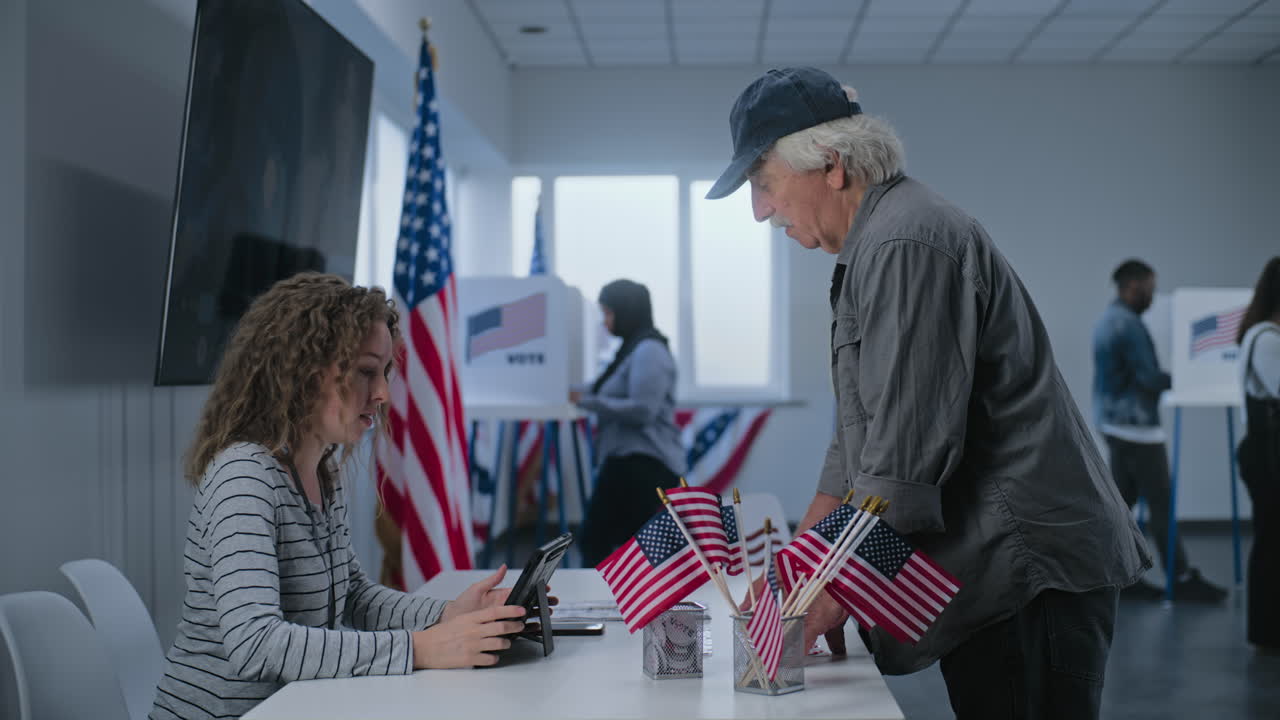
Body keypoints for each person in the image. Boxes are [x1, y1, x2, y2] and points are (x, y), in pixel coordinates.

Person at [706, 67, 1149, 719]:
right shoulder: (874, 246)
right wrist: (797, 578)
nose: (760, 211)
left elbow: (899, 472)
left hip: (1029, 570)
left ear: (829, 165)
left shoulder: (905, 241)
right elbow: (854, 451)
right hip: (997, 568)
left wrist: (819, 600)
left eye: (764, 185)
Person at [152, 273, 530, 720]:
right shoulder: (245, 475)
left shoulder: (319, 468)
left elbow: (351, 597)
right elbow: (255, 644)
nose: (384, 394)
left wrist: (448, 613)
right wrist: (418, 648)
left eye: (384, 373)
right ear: (303, 372)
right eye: (366, 372)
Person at [1091, 259, 1227, 603]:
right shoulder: (1129, 326)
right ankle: (1179, 577)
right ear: (1132, 286)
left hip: (1116, 425)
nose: (1153, 297)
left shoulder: (1109, 320)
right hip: (1138, 430)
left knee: (1124, 505)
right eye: (1149, 289)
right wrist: (1193, 378)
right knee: (1161, 503)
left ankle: (1121, 578)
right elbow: (1149, 378)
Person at [570, 279, 685, 567]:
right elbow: (600, 387)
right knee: (612, 544)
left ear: (627, 311)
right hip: (627, 463)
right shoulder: (631, 349)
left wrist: (587, 402)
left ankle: (606, 604)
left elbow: (643, 410)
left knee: (599, 542)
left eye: (609, 313)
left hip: (642, 465)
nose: (605, 322)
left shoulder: (649, 351)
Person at [1236, 256, 1280, 652]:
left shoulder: (1259, 334)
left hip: (1265, 451)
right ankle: (1268, 631)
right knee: (1271, 542)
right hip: (1267, 455)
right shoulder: (1267, 339)